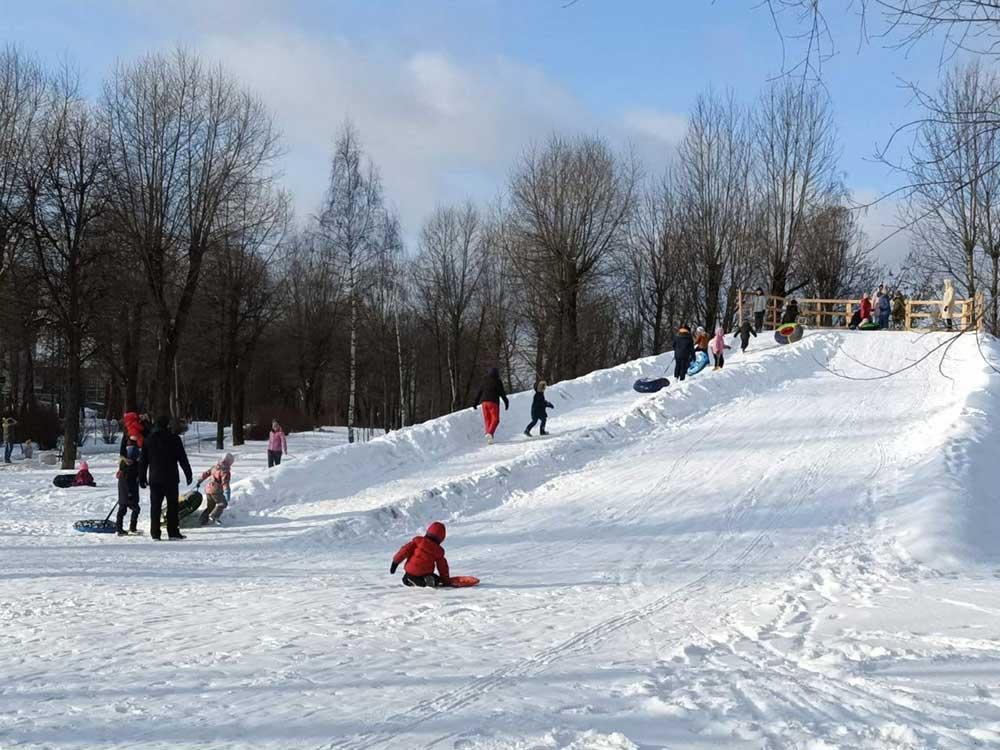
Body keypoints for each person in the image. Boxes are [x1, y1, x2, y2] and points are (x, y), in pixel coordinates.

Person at [139, 414, 193, 541]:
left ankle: (155, 533)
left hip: (155, 478)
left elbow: (143, 461)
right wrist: (188, 473)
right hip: (171, 478)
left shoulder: (149, 440)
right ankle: (173, 532)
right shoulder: (174, 439)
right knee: (172, 506)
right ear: (167, 424)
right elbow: (182, 459)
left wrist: (141, 477)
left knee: (155, 506)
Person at [390, 521, 450, 588]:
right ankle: (426, 581)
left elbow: (403, 551)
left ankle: (409, 579)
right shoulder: (438, 551)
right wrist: (445, 580)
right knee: (436, 579)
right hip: (424, 574)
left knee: (407, 577)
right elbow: (443, 567)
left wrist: (395, 563)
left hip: (410, 571)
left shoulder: (417, 542)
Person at [473, 367, 509, 445]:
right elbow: (502, 393)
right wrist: (506, 402)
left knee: (487, 420)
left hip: (484, 403)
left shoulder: (484, 381)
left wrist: (475, 402)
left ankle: (489, 437)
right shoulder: (497, 381)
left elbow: (479, 392)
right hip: (493, 402)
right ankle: (490, 433)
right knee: (496, 419)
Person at [198, 453, 234, 526]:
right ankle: (214, 516)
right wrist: (227, 491)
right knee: (223, 503)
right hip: (216, 489)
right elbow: (225, 482)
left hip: (208, 489)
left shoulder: (215, 467)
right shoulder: (225, 471)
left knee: (210, 506)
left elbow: (206, 473)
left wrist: (200, 480)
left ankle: (202, 521)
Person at [115, 437, 141, 536]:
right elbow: (129, 480)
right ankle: (126, 528)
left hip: (124, 490)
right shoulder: (132, 466)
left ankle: (121, 528)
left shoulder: (123, 463)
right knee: (133, 508)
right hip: (129, 491)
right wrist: (130, 493)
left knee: (123, 508)